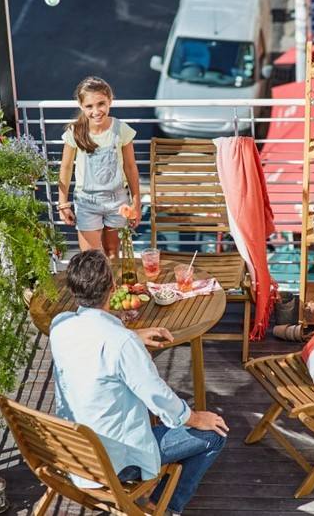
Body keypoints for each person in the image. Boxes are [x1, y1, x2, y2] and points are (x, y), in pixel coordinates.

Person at [49, 250, 227, 515]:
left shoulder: (60, 325)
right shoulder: (121, 344)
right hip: (117, 459)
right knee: (213, 434)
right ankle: (163, 506)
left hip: (76, 453)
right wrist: (196, 418)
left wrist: (130, 335)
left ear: (74, 291)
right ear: (112, 288)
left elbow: (96, 340)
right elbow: (157, 397)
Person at [58, 77, 141, 257]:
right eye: (89, 106)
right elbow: (65, 168)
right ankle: (94, 286)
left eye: (101, 104)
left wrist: (136, 203)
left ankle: (112, 286)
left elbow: (131, 167)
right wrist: (63, 203)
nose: (96, 111)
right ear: (81, 105)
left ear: (110, 100)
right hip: (87, 202)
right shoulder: (76, 132)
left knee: (112, 253)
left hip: (117, 201)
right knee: (90, 257)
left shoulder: (121, 130)